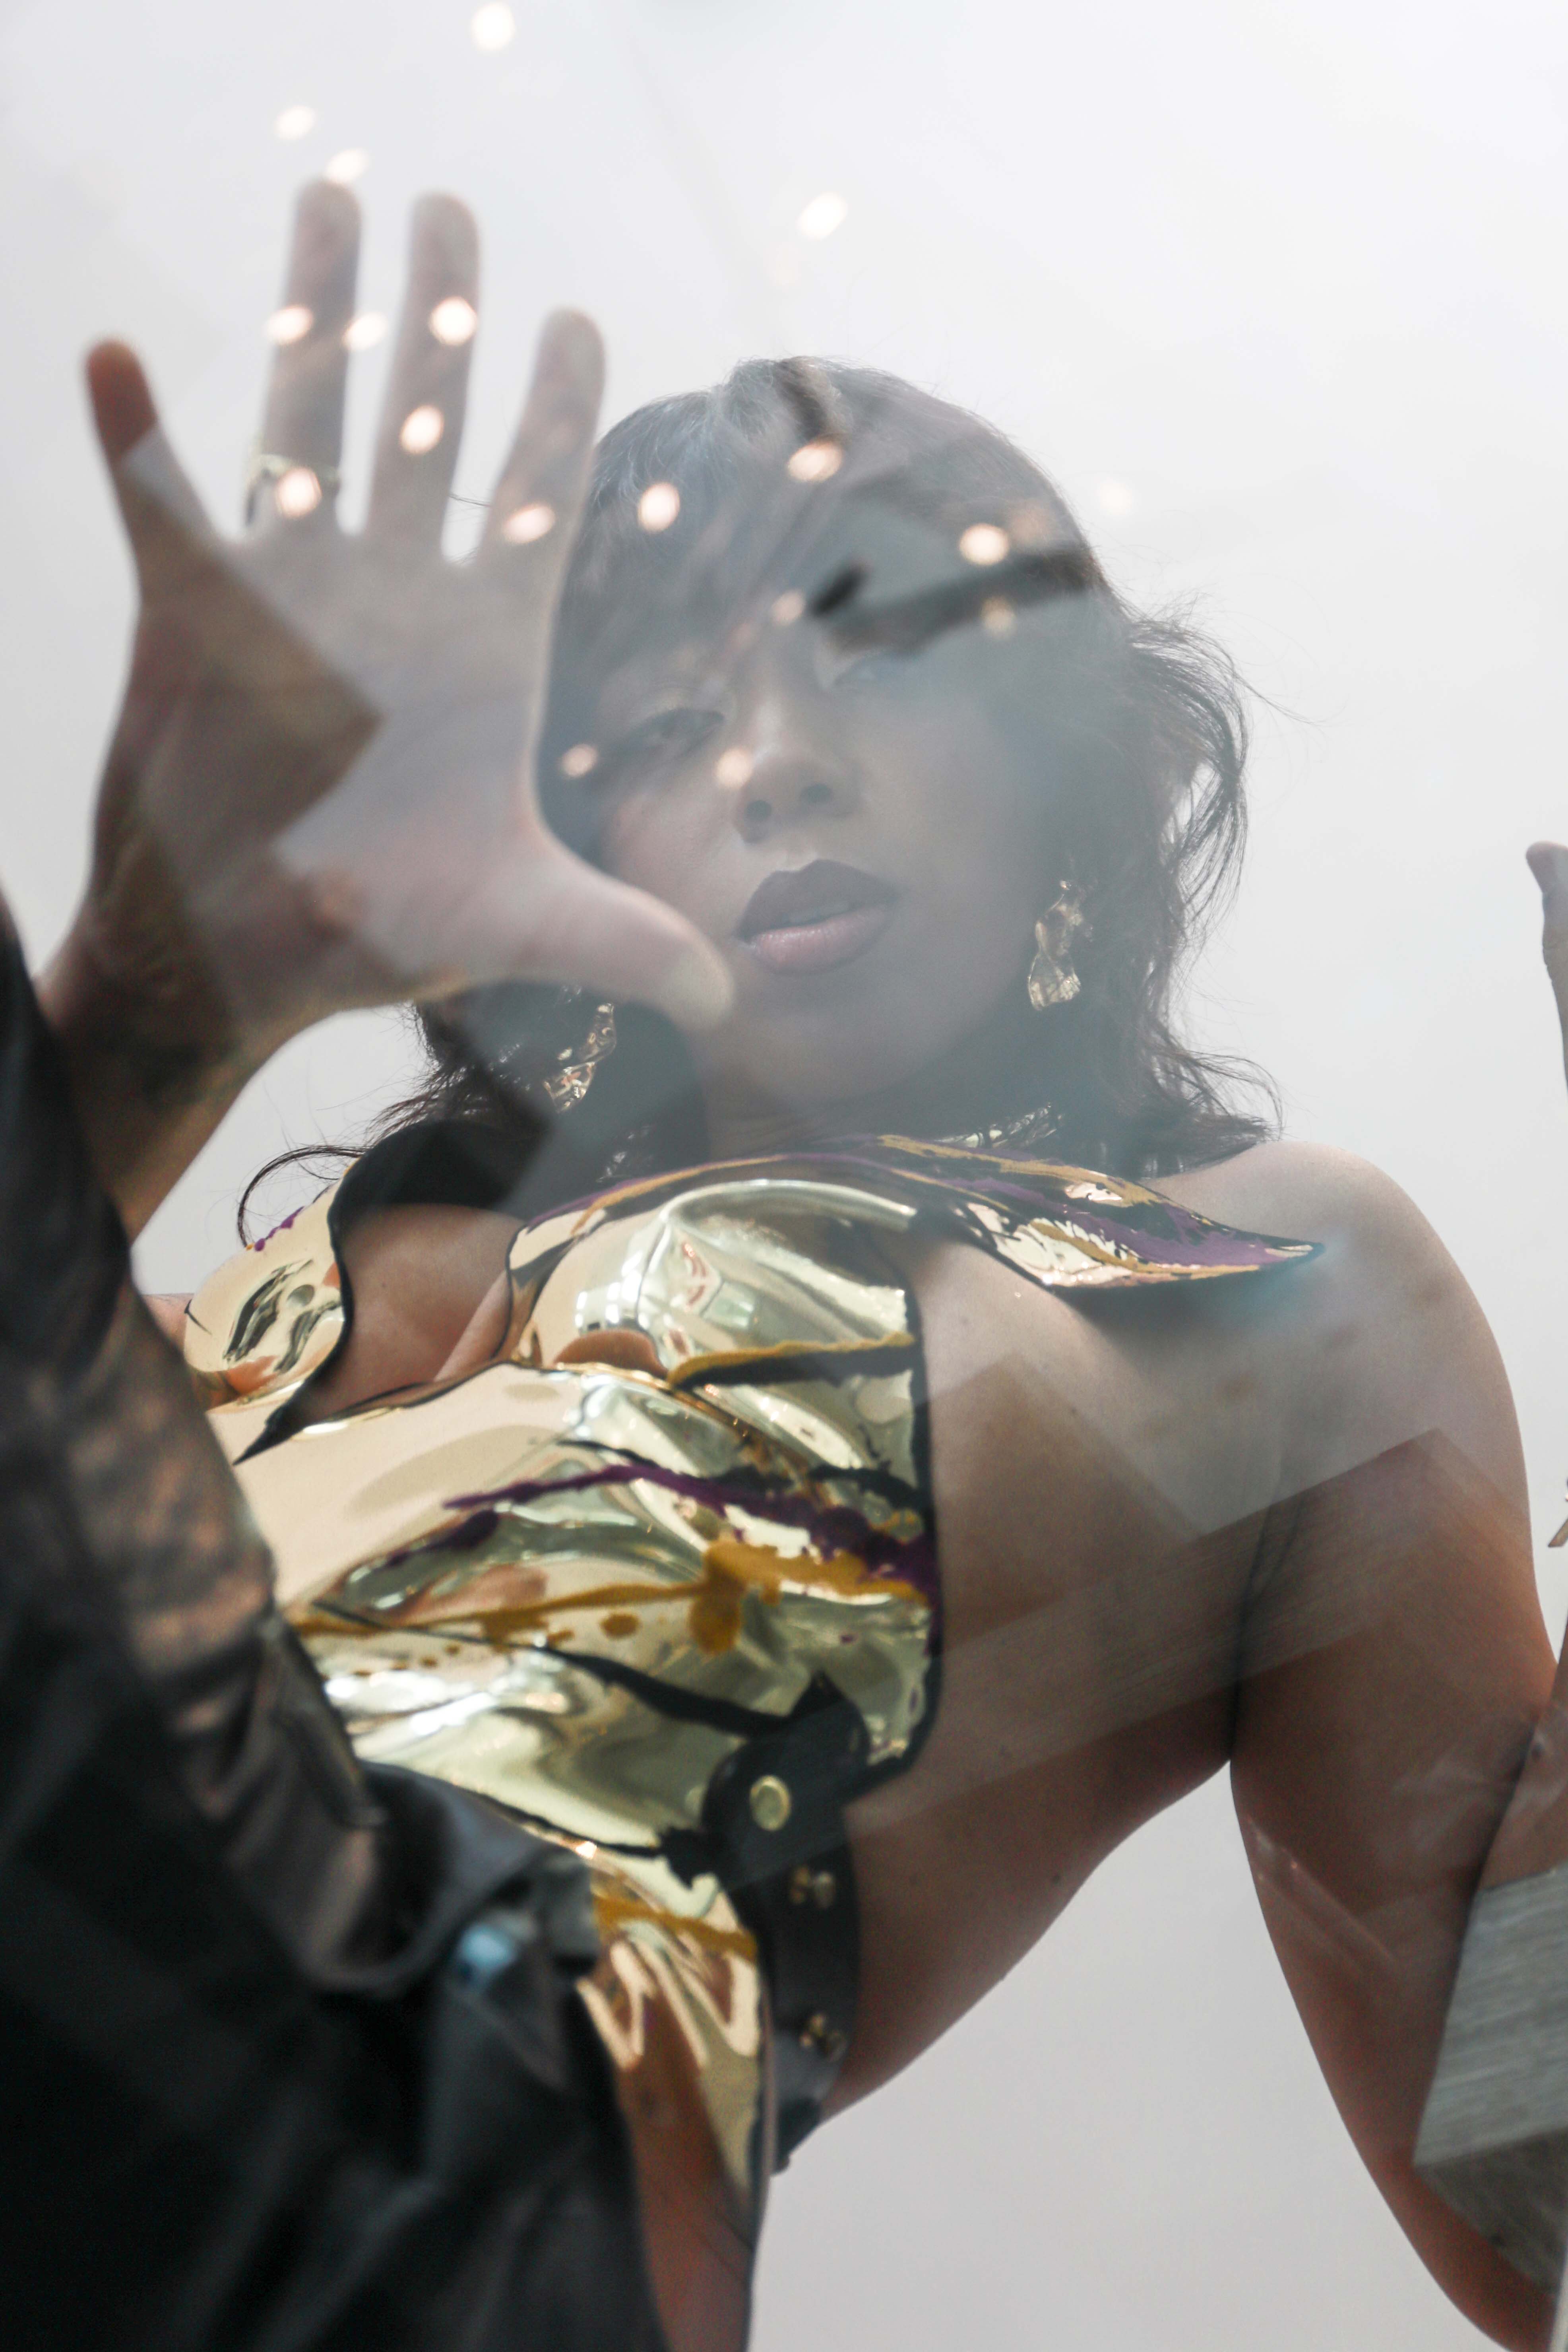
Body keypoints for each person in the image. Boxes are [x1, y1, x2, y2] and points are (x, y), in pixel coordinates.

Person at [6, 178, 1561, 2350]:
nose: (774, 766)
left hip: (438, 2131)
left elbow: (1531, 2200)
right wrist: (148, 998)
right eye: (661, 730)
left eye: (876, 660)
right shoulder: (269, 1298)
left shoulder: (1271, 1280)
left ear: (1054, 757)